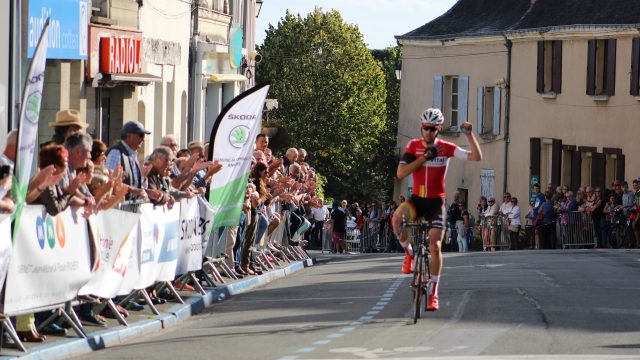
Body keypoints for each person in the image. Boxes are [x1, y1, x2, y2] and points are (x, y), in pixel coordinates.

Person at [392, 107, 482, 311]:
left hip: (436, 203)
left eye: (432, 128)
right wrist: (424, 158)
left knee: (435, 247)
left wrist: (469, 135)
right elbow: (400, 173)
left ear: (439, 129)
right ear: (421, 128)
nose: (429, 132)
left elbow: (476, 157)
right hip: (416, 200)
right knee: (397, 218)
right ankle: (409, 254)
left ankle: (433, 293)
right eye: (425, 128)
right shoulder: (413, 146)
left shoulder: (446, 148)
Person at [105, 121, 150, 201]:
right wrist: (134, 190)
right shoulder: (116, 152)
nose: (143, 139)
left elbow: (135, 185)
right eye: (140, 135)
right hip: (117, 209)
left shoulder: (132, 155)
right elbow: (110, 181)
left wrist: (149, 192)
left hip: (129, 209)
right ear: (128, 136)